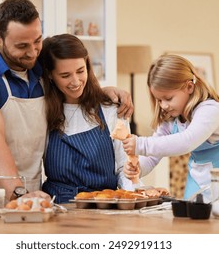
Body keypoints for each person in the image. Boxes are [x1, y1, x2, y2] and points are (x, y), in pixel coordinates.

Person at [0, 0, 133, 205]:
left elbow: (71, 78)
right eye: (22, 45)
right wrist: (17, 193)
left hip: (31, 191)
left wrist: (101, 92)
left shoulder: (38, 63)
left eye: (37, 40)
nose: (33, 51)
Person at [122, 54, 219, 201]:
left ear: (189, 87)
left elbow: (187, 141)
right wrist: (138, 167)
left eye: (168, 98)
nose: (163, 105)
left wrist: (140, 144)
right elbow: (152, 156)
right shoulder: (171, 119)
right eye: (159, 100)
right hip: (198, 179)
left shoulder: (210, 110)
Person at [37, 34, 141, 203]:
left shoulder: (110, 109)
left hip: (104, 205)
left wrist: (132, 196)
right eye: (65, 75)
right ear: (50, 75)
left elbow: (124, 167)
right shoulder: (43, 111)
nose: (76, 81)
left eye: (80, 71)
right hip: (58, 208)